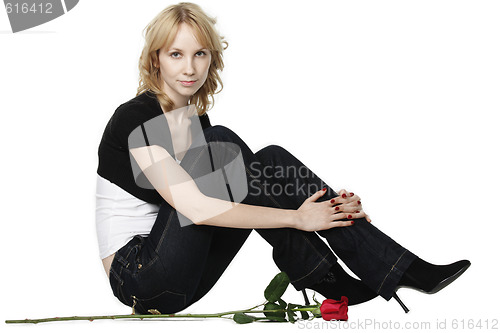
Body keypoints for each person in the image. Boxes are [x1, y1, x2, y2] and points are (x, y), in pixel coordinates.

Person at [96, 2, 470, 315]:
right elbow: (195, 208)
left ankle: (375, 268)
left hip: (188, 276)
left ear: (212, 58)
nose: (190, 68)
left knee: (266, 161)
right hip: (141, 279)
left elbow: (247, 193)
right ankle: (335, 272)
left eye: (200, 54)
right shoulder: (134, 117)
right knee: (225, 145)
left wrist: (329, 209)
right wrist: (300, 218)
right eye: (176, 54)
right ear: (156, 59)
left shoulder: (194, 121)